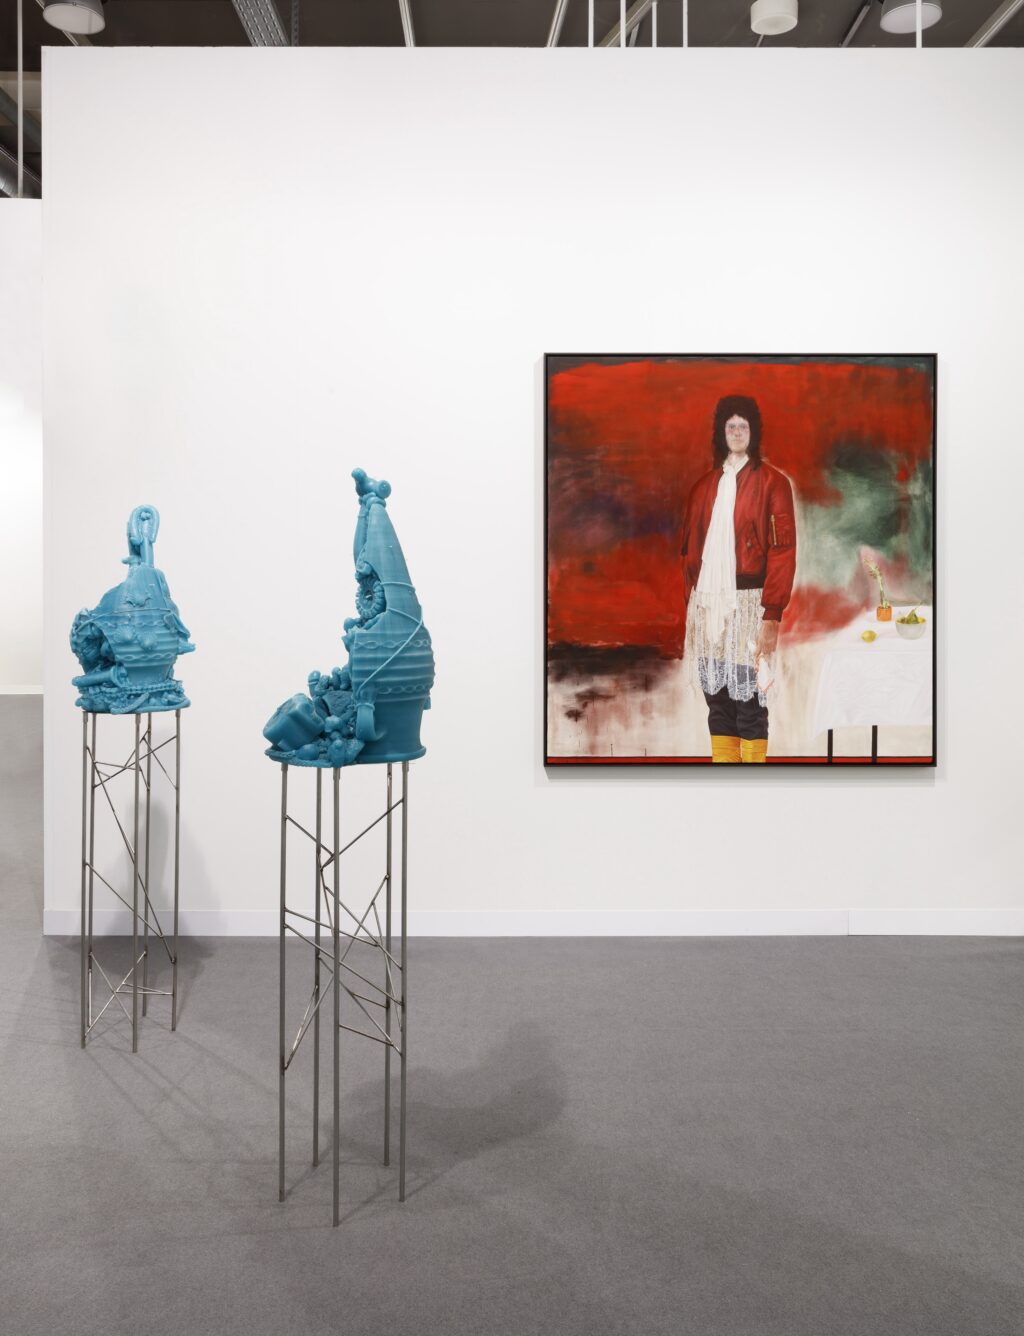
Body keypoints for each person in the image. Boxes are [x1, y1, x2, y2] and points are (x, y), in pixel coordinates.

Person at [681, 395, 796, 763]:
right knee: (717, 703)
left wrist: (771, 616)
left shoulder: (773, 484)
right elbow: (690, 555)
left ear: (753, 432)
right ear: (721, 432)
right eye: (730, 426)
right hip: (708, 605)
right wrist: (694, 607)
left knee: (750, 701)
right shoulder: (704, 488)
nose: (736, 432)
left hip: (750, 605)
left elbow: (782, 552)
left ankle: (752, 781)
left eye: (742, 426)